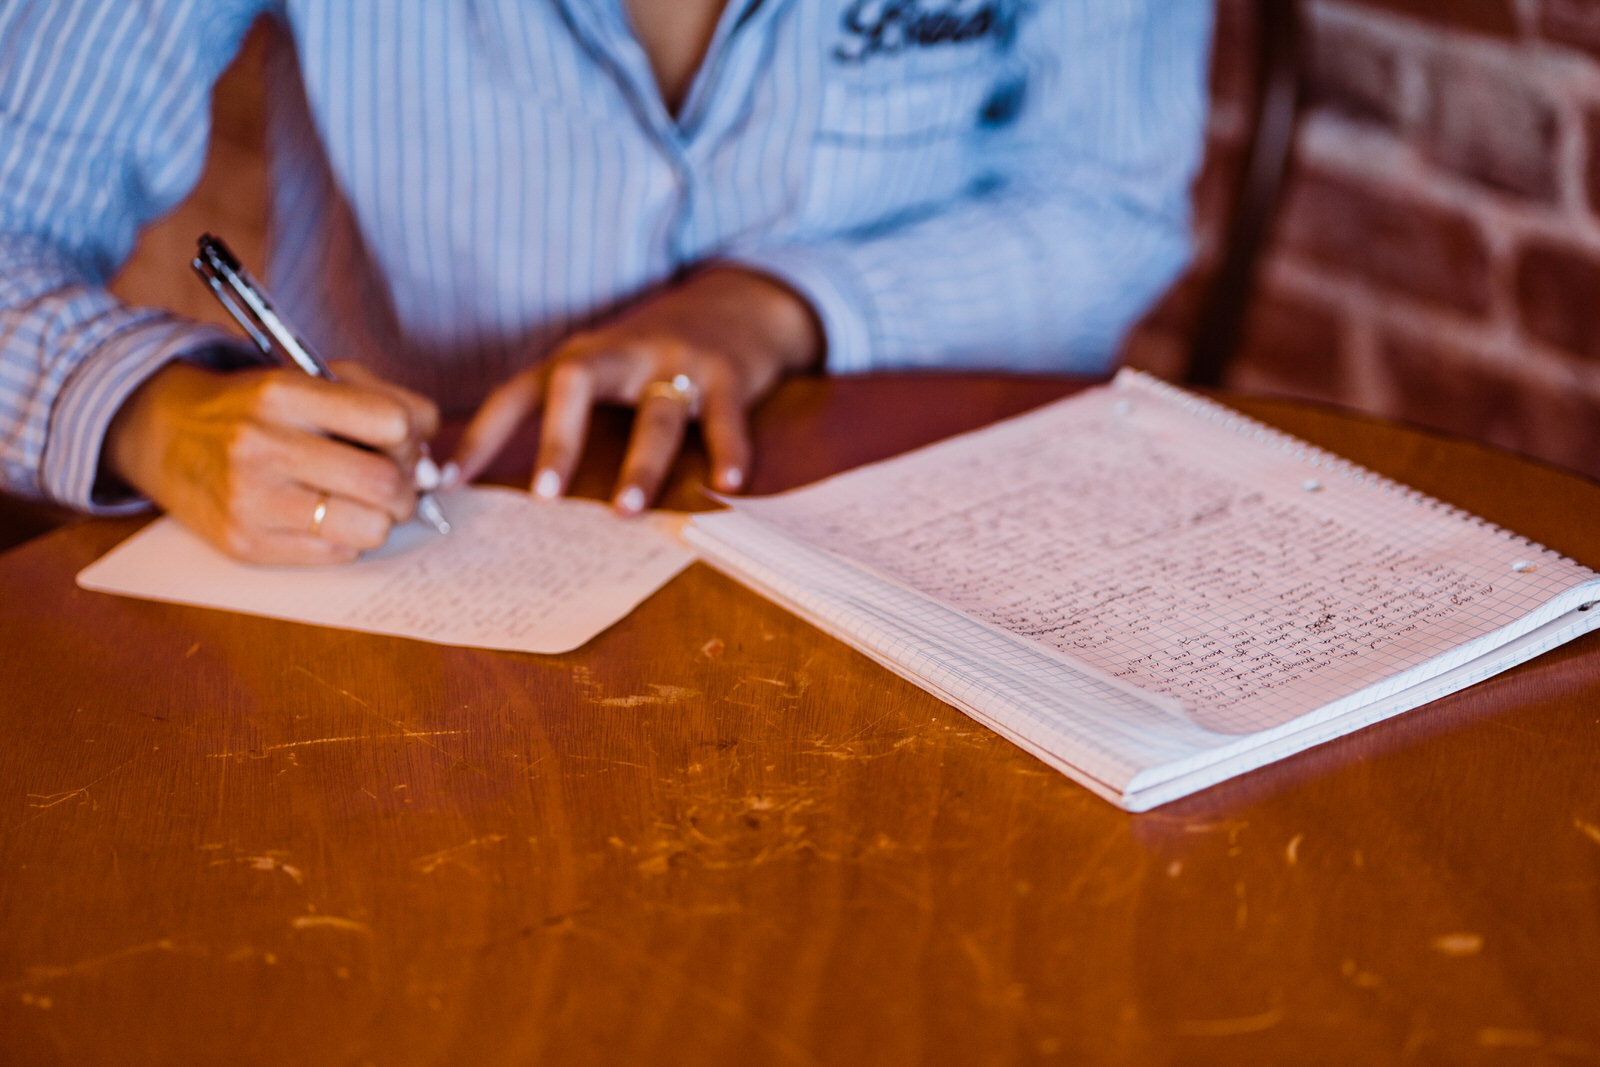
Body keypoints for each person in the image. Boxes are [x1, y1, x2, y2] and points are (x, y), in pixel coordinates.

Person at [0, 0, 1210, 564]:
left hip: (932, 559)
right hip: (421, 572)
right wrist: (152, 412)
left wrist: (775, 308)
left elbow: (1105, 202)